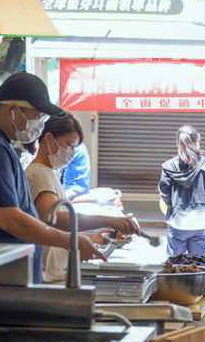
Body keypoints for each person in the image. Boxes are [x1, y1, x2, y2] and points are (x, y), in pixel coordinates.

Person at [0, 73, 108, 284]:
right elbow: (11, 220)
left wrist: (83, 239)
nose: (40, 124)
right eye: (37, 117)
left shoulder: (0, 144)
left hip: (11, 272)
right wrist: (70, 240)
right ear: (13, 110)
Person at [25, 114, 138, 283]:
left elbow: (50, 226)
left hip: (55, 272)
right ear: (48, 138)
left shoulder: (49, 172)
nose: (71, 152)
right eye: (69, 144)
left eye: (74, 147)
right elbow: (55, 220)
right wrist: (109, 220)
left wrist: (88, 237)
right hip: (47, 275)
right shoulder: (40, 174)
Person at [159, 125, 205, 257]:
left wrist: (173, 203)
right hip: (201, 222)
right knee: (198, 266)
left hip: (177, 223)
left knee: (175, 266)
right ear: (197, 143)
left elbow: (164, 193)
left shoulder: (168, 166)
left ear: (177, 143)